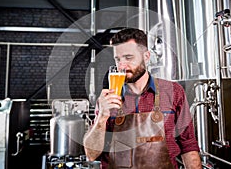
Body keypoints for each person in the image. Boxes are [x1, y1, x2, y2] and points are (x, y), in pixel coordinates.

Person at [83, 28, 202, 169]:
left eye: (128, 58)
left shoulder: (173, 92)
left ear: (146, 57)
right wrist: (102, 117)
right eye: (118, 59)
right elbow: (91, 154)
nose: (121, 65)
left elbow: (188, 145)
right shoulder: (106, 101)